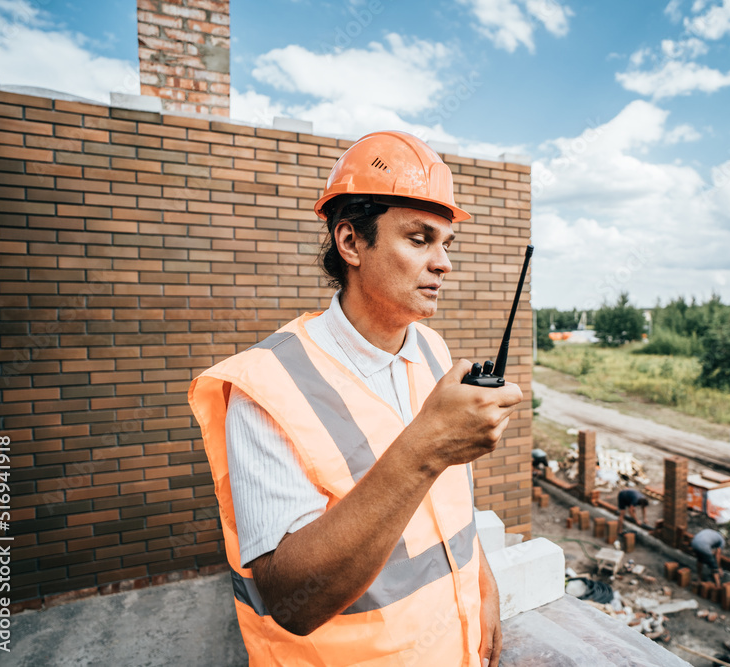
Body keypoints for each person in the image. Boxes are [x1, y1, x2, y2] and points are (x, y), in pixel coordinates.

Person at [188, 131, 523, 667]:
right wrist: (425, 448)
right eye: (419, 240)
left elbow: (451, 507)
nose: (444, 264)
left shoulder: (434, 352)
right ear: (350, 243)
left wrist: (483, 588)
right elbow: (291, 599)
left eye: (446, 244)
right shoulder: (266, 385)